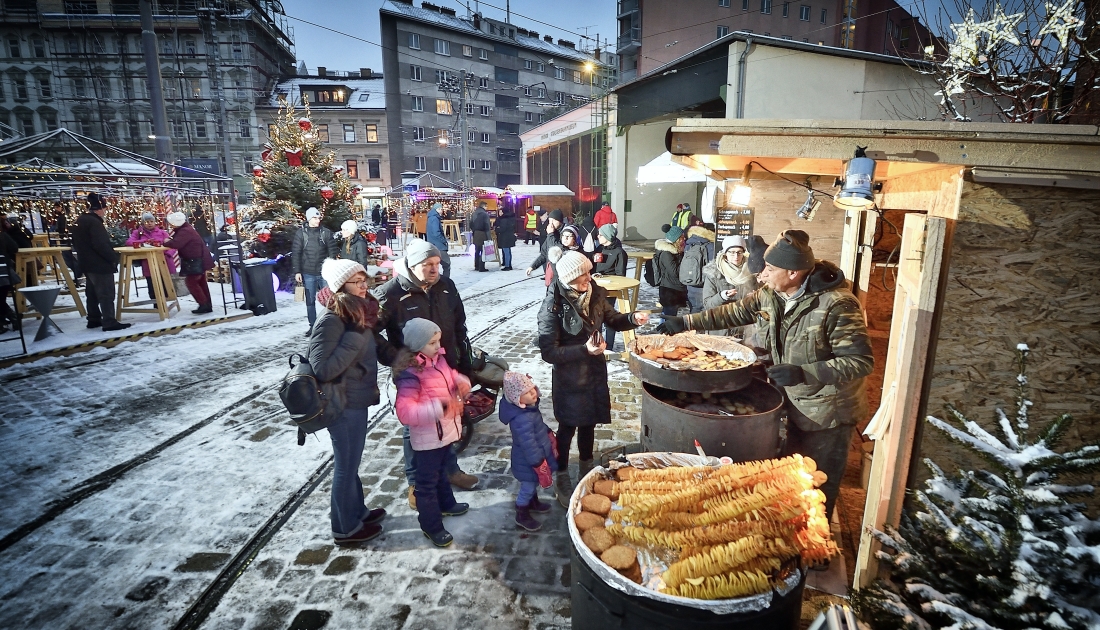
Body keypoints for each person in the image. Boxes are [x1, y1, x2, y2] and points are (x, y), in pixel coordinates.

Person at [658, 230, 873, 518]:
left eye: (770, 269)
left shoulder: (837, 305)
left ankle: (816, 548)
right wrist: (683, 322)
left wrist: (803, 372)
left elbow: (859, 361)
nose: (762, 275)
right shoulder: (773, 294)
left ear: (794, 272)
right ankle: (791, 525)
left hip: (828, 412)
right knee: (792, 475)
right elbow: (732, 313)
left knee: (817, 482)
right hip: (793, 401)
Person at [372, 238, 480, 508]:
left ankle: (451, 470)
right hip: (414, 372)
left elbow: (459, 325)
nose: (435, 269)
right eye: (428, 265)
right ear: (411, 265)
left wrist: (462, 360)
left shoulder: (446, 286)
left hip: (445, 365)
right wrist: (396, 357)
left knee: (450, 415)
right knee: (416, 427)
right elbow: (368, 330)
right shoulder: (391, 293)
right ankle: (416, 482)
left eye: (437, 264)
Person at [538, 249, 648, 506]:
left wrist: (633, 318)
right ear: (570, 278)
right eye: (584, 274)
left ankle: (586, 468)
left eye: (589, 272)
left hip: (594, 372)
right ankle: (562, 473)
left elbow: (612, 319)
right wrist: (582, 350)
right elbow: (549, 352)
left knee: (588, 423)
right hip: (570, 377)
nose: (590, 276)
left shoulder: (594, 291)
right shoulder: (551, 306)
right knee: (567, 427)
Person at [309, 258, 387, 546]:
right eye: (358, 281)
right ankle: (344, 527)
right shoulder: (331, 320)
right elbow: (322, 369)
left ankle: (357, 511)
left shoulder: (358, 314)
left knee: (352, 462)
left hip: (356, 398)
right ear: (342, 287)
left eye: (365, 279)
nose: (365, 285)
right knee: (345, 465)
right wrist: (353, 338)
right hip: (341, 404)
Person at [394, 318, 471, 548]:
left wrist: (460, 381)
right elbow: (405, 412)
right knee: (426, 484)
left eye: (438, 341)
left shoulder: (437, 360)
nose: (438, 346)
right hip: (428, 439)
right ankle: (431, 525)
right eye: (432, 342)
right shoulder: (411, 374)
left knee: (442, 472)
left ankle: (447, 504)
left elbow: (449, 377)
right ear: (417, 345)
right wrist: (439, 407)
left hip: (444, 433)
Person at [499, 371, 556, 531]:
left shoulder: (529, 410)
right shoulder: (521, 419)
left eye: (533, 390)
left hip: (535, 457)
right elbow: (528, 444)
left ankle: (533, 502)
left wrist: (547, 432)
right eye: (528, 393)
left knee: (533, 483)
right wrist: (538, 462)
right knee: (528, 486)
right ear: (517, 399)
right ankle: (521, 512)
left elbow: (537, 428)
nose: (534, 394)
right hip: (528, 461)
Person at [72, 193, 130, 332]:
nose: (105, 211)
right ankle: (109, 321)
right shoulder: (94, 223)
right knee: (106, 293)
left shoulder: (79, 221)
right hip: (99, 263)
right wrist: (112, 258)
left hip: (86, 262)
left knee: (91, 293)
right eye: (104, 208)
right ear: (98, 209)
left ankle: (93, 318)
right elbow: (101, 244)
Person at [700, 235, 760, 339]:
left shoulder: (751, 272)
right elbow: (707, 304)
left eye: (739, 252)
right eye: (731, 252)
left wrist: (755, 297)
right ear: (725, 253)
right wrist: (722, 297)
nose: (736, 256)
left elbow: (760, 302)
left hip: (744, 330)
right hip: (721, 330)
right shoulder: (714, 274)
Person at [292, 208, 338, 334]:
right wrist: (297, 271)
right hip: (308, 273)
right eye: (315, 218)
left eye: (318, 218)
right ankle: (313, 326)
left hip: (324, 273)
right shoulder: (301, 234)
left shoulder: (326, 233)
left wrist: (331, 268)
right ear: (309, 219)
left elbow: (332, 252)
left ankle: (331, 325)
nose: (317, 220)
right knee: (310, 301)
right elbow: (296, 253)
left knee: (329, 300)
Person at [165, 212, 215, 314]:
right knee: (201, 282)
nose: (170, 225)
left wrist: (165, 241)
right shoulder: (186, 229)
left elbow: (176, 243)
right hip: (199, 258)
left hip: (195, 260)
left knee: (191, 282)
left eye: (171, 223)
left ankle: (203, 304)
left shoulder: (185, 231)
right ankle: (206, 305)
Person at [593, 223, 628, 350]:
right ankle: (597, 343)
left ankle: (609, 345)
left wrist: (606, 278)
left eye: (601, 235)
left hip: (609, 290)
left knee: (607, 316)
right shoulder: (599, 249)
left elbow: (620, 275)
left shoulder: (619, 252)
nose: (598, 237)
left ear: (608, 236)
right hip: (596, 287)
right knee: (595, 317)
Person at [125, 212, 176, 299]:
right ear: (143, 222)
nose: (149, 223)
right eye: (147, 221)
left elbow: (173, 245)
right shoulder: (137, 233)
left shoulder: (162, 232)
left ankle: (165, 303)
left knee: (165, 284)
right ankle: (156, 304)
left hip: (163, 261)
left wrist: (168, 254)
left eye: (151, 221)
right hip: (148, 262)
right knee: (152, 284)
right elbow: (129, 242)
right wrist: (144, 242)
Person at [652, 225, 688, 317]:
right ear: (677, 239)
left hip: (674, 289)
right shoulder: (667, 254)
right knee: (669, 316)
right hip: (670, 291)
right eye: (682, 237)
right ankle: (664, 330)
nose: (684, 240)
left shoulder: (675, 252)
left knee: (669, 314)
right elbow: (675, 272)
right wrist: (686, 260)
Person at [682, 223, 716, 313]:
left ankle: (692, 326)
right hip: (704, 287)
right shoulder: (710, 246)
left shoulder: (689, 244)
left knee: (694, 312)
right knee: (705, 315)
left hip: (690, 284)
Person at [526, 209, 563, 281]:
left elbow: (556, 251)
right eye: (550, 221)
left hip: (561, 274)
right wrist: (533, 266)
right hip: (552, 275)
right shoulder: (552, 234)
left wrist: (550, 234)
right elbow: (544, 254)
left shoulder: (564, 233)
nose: (551, 224)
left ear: (560, 221)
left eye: (554, 221)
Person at [0, 217, 20, 333]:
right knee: (1, 297)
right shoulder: (3, 236)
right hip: (5, 272)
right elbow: (14, 248)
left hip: (3, 273)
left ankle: (9, 318)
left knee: (0, 298)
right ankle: (11, 317)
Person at [425, 202, 451, 278]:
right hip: (438, 245)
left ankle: (437, 281)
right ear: (438, 209)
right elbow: (436, 232)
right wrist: (443, 240)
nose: (442, 211)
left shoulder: (431, 217)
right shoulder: (434, 218)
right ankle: (445, 282)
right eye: (441, 209)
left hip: (433, 244)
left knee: (435, 265)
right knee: (446, 264)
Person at [469, 201, 491, 272]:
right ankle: (482, 267)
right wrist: (488, 237)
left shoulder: (474, 213)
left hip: (476, 233)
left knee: (477, 250)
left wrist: (474, 230)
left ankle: (476, 265)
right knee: (483, 251)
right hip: (483, 234)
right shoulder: (485, 214)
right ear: (484, 206)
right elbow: (487, 226)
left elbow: (470, 223)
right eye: (486, 206)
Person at [494, 206, 517, 271]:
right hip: (509, 236)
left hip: (505, 237)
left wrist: (497, 229)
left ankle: (507, 266)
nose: (500, 213)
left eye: (501, 212)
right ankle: (509, 264)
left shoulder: (504, 219)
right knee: (508, 251)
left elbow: (502, 229)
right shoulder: (510, 218)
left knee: (506, 251)